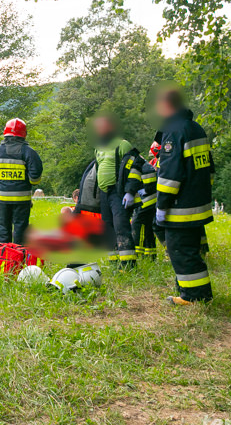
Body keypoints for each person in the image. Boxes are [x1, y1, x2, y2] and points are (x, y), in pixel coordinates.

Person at [154, 88, 215, 305]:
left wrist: (162, 204)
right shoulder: (195, 128)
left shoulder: (174, 131)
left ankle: (193, 297)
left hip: (180, 207)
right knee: (191, 251)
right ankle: (197, 292)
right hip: (198, 202)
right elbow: (209, 168)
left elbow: (170, 175)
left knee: (180, 251)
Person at [92, 114, 140, 269]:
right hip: (104, 192)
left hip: (118, 192)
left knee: (121, 226)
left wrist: (130, 191)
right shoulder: (98, 148)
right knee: (107, 227)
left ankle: (128, 264)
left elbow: (135, 168)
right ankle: (114, 263)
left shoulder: (123, 144)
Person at [0, 118, 43, 245]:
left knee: (4, 228)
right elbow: (35, 178)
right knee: (20, 228)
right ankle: (19, 257)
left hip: (3, 197)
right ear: (24, 134)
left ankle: (5, 256)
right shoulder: (29, 152)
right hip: (21, 198)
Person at [132, 159, 158, 260]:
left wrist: (145, 190)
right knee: (148, 229)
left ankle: (138, 254)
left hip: (146, 201)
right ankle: (150, 255)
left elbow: (150, 182)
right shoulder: (142, 163)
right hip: (148, 200)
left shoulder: (141, 164)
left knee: (138, 224)